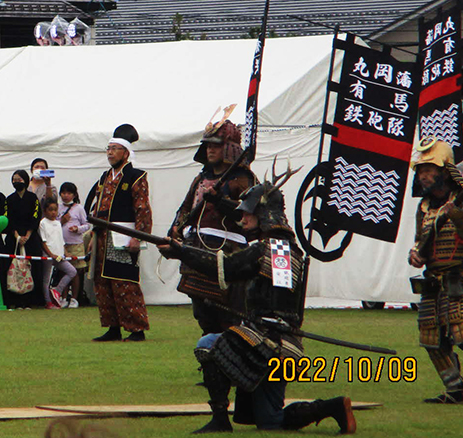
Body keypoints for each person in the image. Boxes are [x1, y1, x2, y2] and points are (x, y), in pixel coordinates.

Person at [158, 167, 356, 434]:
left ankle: (219, 420)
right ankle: (332, 407)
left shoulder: (268, 249)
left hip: (266, 345)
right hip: (284, 347)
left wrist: (182, 252)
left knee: (207, 345)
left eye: (248, 211)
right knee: (269, 422)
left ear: (263, 214)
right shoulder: (284, 249)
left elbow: (227, 267)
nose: (242, 216)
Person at [407, 138, 463, 404]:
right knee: (431, 338)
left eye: (429, 170)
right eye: (421, 170)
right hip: (433, 280)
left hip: (462, 276)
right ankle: (454, 390)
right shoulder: (424, 206)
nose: (424, 176)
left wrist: (458, 217)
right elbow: (420, 239)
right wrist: (415, 254)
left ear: (444, 171)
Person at [170, 118, 256, 335]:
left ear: (228, 148)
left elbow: (250, 214)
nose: (210, 150)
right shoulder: (201, 178)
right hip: (198, 246)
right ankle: (209, 348)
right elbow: (187, 207)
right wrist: (176, 229)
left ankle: (231, 351)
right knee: (201, 306)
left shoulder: (243, 179)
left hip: (229, 251)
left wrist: (221, 201)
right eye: (208, 145)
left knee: (229, 309)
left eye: (215, 145)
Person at [86, 124, 151, 342]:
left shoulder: (136, 176)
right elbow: (97, 208)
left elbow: (143, 208)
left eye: (114, 149)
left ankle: (136, 329)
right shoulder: (105, 177)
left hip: (123, 236)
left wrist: (139, 236)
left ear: (125, 152)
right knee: (103, 284)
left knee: (124, 282)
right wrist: (93, 236)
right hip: (103, 236)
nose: (110, 152)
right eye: (108, 148)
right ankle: (113, 327)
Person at [3, 170, 43, 309]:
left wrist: (27, 235)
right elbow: (8, 219)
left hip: (30, 239)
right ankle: (14, 300)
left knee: (32, 268)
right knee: (13, 269)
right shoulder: (9, 199)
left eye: (19, 179)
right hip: (13, 239)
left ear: (26, 181)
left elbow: (36, 216)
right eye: (14, 179)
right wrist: (17, 236)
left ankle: (32, 301)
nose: (17, 182)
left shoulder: (33, 198)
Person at [39, 199, 76, 309]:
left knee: (72, 271)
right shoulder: (43, 223)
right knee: (46, 279)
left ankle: (56, 290)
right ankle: (48, 302)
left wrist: (66, 253)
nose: (53, 212)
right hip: (49, 256)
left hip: (59, 255)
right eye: (50, 210)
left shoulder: (58, 223)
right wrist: (50, 254)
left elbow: (61, 241)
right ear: (45, 211)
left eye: (55, 210)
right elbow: (43, 241)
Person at [59, 182, 90, 308]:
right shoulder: (58, 207)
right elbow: (53, 224)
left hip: (76, 244)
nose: (66, 196)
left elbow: (87, 224)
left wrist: (78, 229)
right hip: (62, 244)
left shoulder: (79, 208)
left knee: (76, 272)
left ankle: (75, 298)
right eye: (63, 193)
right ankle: (64, 297)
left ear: (74, 194)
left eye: (69, 193)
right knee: (64, 271)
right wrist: (62, 221)